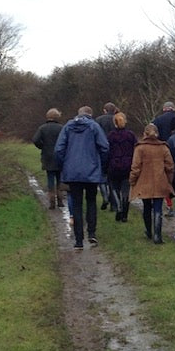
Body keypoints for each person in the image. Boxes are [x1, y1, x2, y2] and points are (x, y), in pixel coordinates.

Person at [55, 106, 109, 249]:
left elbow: (59, 149)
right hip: (91, 170)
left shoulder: (67, 127)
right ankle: (92, 233)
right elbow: (104, 147)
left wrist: (64, 165)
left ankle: (78, 240)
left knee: (77, 205)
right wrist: (101, 166)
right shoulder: (94, 127)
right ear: (90, 114)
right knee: (91, 201)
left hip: (72, 172)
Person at [129, 123, 174, 244]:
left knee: (147, 208)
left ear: (144, 134)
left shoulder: (140, 148)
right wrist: (169, 181)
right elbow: (170, 167)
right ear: (157, 134)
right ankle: (157, 235)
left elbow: (136, 167)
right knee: (158, 208)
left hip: (144, 183)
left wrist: (132, 181)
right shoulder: (164, 148)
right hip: (160, 182)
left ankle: (149, 231)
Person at [107, 112, 137, 223]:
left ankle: (118, 206)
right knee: (126, 189)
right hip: (127, 164)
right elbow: (136, 149)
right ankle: (125, 214)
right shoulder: (131, 135)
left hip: (114, 164)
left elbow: (107, 151)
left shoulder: (111, 136)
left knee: (114, 187)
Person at [32, 108, 64, 209]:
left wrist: (43, 146)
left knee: (50, 178)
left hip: (47, 156)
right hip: (59, 156)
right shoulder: (61, 128)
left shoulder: (42, 128)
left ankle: (51, 200)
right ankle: (60, 200)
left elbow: (35, 140)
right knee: (60, 179)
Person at [152, 101, 175, 216]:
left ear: (164, 109)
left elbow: (152, 133)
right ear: (174, 108)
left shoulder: (157, 120)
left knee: (164, 178)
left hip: (161, 152)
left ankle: (169, 204)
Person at [95, 103, 119, 212]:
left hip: (101, 150)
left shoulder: (98, 120)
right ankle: (113, 203)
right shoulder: (117, 119)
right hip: (115, 151)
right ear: (114, 110)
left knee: (102, 175)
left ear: (105, 110)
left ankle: (104, 196)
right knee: (113, 178)